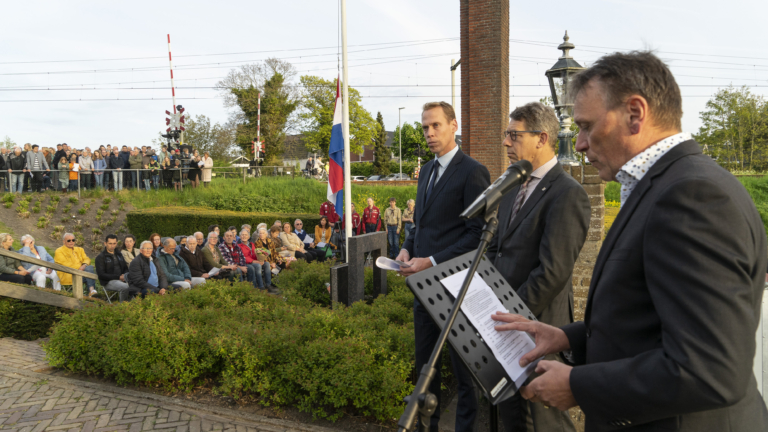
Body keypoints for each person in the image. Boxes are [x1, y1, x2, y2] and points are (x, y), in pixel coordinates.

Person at [495, 51, 768, 432]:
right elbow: (644, 319)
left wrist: (578, 385)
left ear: (635, 114)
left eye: (587, 126)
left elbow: (709, 370)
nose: (582, 143)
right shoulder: (662, 185)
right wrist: (565, 336)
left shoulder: (694, 196)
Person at [484, 102, 589, 432]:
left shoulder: (567, 194)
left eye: (514, 135)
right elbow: (497, 250)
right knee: (512, 418)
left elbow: (551, 273)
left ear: (542, 138)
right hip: (505, 325)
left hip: (536, 330)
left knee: (540, 422)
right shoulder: (513, 184)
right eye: (506, 135)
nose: (506, 142)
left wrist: (510, 322)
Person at [396, 101, 491, 432]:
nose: (429, 133)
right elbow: (420, 225)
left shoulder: (473, 172)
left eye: (436, 125)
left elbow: (478, 236)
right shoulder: (426, 171)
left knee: (465, 377)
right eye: (424, 127)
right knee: (426, 374)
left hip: (456, 291)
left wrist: (432, 261)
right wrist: (407, 250)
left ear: (454, 126)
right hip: (423, 291)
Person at [54, 233, 97, 297]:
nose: (71, 242)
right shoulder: (59, 251)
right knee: (89, 269)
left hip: (81, 274)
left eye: (73, 240)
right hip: (69, 274)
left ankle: (91, 291)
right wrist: (81, 268)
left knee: (89, 268)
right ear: (64, 241)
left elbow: (87, 259)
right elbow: (67, 265)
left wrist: (84, 265)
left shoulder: (80, 249)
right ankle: (92, 291)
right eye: (69, 240)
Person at [95, 234, 131, 302]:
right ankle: (123, 307)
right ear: (105, 243)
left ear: (116, 243)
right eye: (110, 243)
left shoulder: (119, 254)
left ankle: (134, 305)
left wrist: (125, 276)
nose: (112, 246)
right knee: (125, 287)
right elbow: (101, 275)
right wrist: (118, 277)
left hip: (122, 279)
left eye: (114, 243)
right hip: (108, 282)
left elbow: (125, 268)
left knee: (138, 284)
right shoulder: (100, 257)